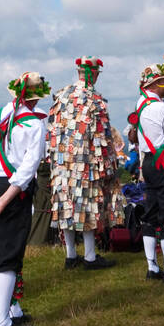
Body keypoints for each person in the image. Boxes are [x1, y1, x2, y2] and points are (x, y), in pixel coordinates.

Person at [0, 72, 51, 326]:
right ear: (35, 99)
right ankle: (2, 321)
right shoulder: (35, 125)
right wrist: (4, 200)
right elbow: (28, 169)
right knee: (8, 253)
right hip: (12, 189)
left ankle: (14, 308)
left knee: (6, 248)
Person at [47, 58, 121, 271]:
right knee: (86, 207)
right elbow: (102, 136)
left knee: (66, 206)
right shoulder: (95, 100)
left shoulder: (61, 95)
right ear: (94, 74)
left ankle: (71, 256)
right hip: (86, 162)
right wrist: (108, 164)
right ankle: (89, 257)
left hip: (61, 164)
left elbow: (52, 129)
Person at [128, 62, 164, 283]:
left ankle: (152, 267)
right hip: (163, 162)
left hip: (148, 161)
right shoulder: (161, 108)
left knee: (150, 212)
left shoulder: (141, 104)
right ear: (158, 83)